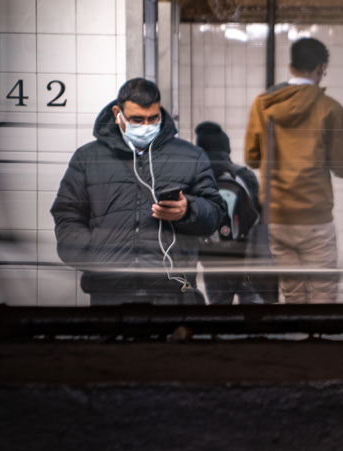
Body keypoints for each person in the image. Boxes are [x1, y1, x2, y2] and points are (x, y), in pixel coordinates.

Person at [50, 78, 225, 305]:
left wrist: (188, 210)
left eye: (153, 119)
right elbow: (67, 214)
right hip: (108, 292)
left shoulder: (190, 156)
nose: (145, 126)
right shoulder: (87, 159)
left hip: (171, 293)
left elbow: (215, 213)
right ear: (117, 113)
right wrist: (92, 255)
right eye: (137, 120)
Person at [245, 37, 343, 303]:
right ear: (320, 68)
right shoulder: (330, 108)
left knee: (293, 294)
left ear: (291, 67)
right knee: (322, 294)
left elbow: (251, 157)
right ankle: (319, 343)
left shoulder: (263, 104)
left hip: (278, 217)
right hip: (315, 217)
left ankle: (296, 342)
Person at [194, 120, 273, 305]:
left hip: (213, 260)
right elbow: (260, 217)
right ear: (226, 149)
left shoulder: (197, 178)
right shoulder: (244, 175)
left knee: (219, 312)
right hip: (245, 257)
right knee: (253, 312)